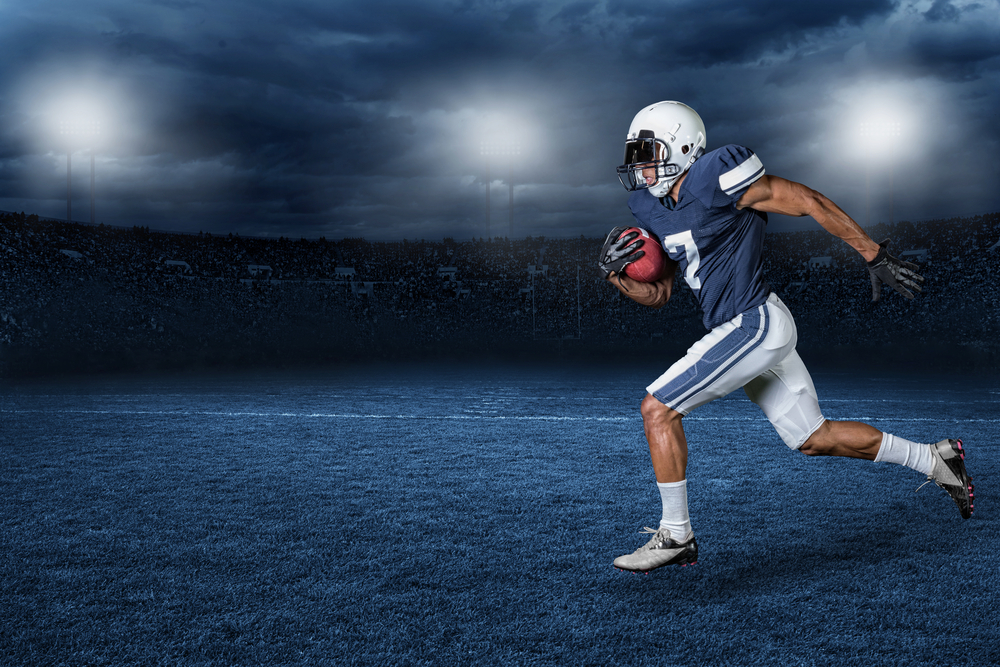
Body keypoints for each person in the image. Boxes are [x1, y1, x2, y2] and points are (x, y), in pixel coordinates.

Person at [599, 101, 974, 573]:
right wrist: (615, 276)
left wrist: (873, 255)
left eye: (647, 151)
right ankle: (936, 459)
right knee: (813, 438)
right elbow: (661, 294)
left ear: (684, 145)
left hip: (752, 322)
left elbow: (808, 200)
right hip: (746, 329)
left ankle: (677, 534)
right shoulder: (652, 208)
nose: (639, 165)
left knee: (657, 409)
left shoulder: (716, 175)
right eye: (635, 154)